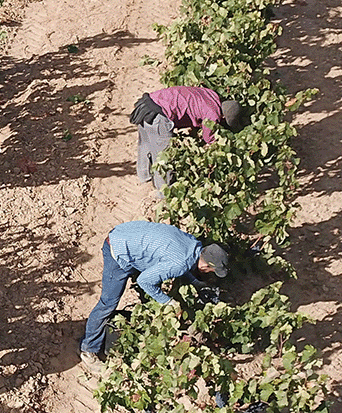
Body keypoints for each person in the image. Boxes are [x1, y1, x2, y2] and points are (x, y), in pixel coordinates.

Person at [79, 221, 228, 367]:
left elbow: (179, 262)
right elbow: (145, 281)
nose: (209, 273)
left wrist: (195, 282)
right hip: (118, 249)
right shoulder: (180, 264)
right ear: (205, 265)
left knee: (154, 282)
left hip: (128, 233)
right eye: (211, 271)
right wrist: (169, 302)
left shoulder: (194, 244)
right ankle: (88, 349)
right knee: (108, 303)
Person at [132, 87, 243, 189]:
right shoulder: (213, 114)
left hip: (149, 101)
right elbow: (208, 137)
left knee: (146, 143)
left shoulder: (212, 95)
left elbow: (191, 105)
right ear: (224, 117)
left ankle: (144, 175)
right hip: (159, 114)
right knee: (164, 156)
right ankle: (164, 192)